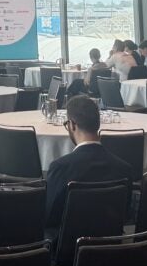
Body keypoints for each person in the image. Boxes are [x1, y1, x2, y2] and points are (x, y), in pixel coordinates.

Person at [45, 95, 133, 229]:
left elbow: (49, 217)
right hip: (110, 246)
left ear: (72, 125)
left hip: (67, 247)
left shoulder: (60, 168)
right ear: (97, 124)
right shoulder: (124, 169)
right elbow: (125, 216)